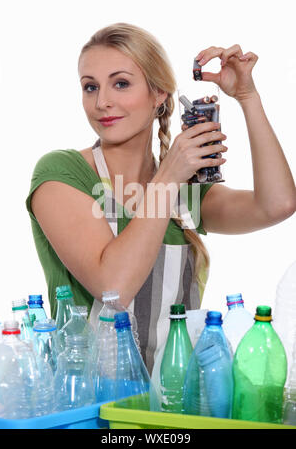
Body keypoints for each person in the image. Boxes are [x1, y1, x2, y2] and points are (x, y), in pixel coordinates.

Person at [26, 23, 296, 372]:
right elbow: (115, 291)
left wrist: (248, 97)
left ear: (160, 95)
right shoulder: (62, 172)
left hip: (167, 405)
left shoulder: (184, 194)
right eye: (89, 87)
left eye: (120, 83)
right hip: (88, 408)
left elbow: (278, 204)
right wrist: (169, 175)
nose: (102, 101)